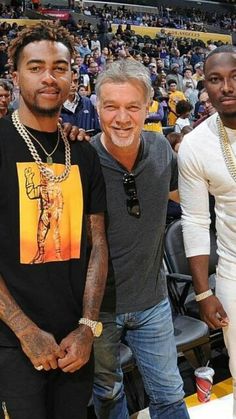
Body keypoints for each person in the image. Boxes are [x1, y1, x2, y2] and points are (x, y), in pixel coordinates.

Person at [0, 21, 108, 419]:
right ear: (15, 76)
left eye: (59, 68)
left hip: (74, 338)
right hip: (13, 341)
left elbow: (97, 244)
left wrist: (87, 327)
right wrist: (26, 332)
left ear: (72, 77)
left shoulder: (84, 152)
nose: (49, 77)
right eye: (36, 67)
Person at [91, 59, 190, 419]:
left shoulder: (162, 149)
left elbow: (184, 204)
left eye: (132, 106)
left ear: (148, 107)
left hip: (153, 301)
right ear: (96, 106)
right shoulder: (83, 159)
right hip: (98, 310)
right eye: (111, 106)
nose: (121, 117)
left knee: (170, 394)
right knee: (107, 394)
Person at [178, 45, 236, 417]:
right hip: (233, 271)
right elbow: (196, 221)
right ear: (206, 87)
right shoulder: (195, 146)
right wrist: (203, 292)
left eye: (233, 77)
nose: (226, 87)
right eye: (216, 80)